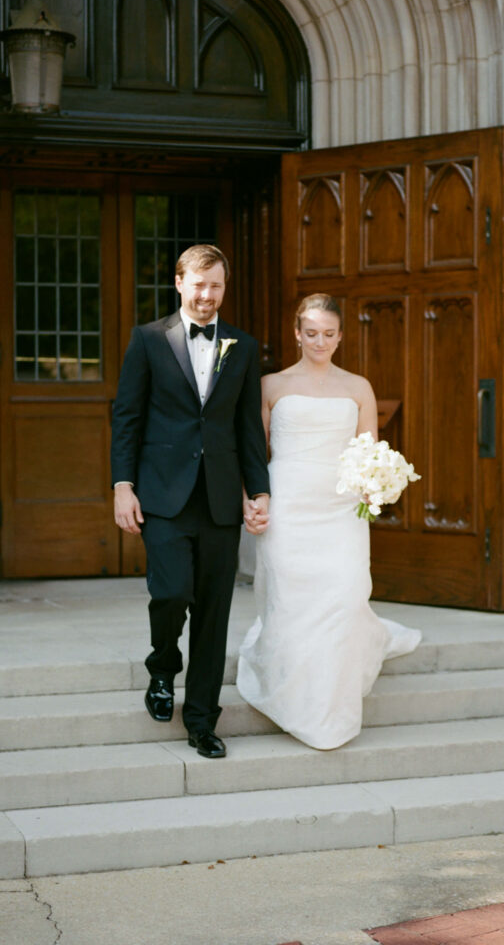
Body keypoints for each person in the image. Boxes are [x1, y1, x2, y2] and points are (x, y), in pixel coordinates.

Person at [237, 293, 421, 750]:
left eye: (329, 334)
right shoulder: (271, 385)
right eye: (312, 333)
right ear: (297, 333)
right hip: (289, 507)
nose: (320, 341)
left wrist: (375, 484)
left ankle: (329, 712)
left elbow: (370, 453)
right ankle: (292, 696)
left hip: (340, 510)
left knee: (343, 595)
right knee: (291, 600)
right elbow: (253, 455)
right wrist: (250, 499)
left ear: (341, 336)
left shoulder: (358, 387)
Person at [111, 244, 270, 759]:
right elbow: (127, 417)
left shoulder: (243, 347)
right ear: (179, 283)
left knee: (214, 613)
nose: (207, 295)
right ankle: (162, 667)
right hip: (163, 494)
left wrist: (259, 490)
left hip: (221, 499)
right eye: (198, 285)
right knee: (172, 591)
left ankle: (202, 720)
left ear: (225, 288)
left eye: (216, 286)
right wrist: (122, 486)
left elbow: (248, 427)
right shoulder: (149, 339)